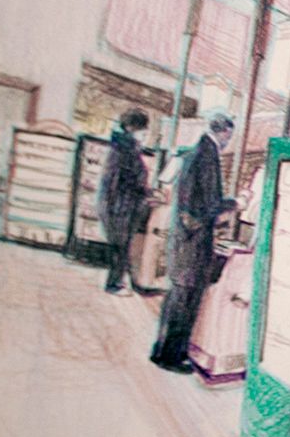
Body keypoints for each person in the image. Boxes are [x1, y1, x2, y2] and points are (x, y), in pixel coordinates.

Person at [151, 113, 237, 373]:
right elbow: (209, 204)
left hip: (184, 239)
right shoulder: (208, 156)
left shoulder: (193, 153)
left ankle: (162, 352)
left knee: (176, 299)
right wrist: (235, 203)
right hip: (194, 243)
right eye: (229, 136)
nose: (229, 141)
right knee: (186, 302)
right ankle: (172, 357)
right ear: (224, 132)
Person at [97, 109, 151, 295]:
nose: (145, 133)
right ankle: (113, 284)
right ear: (130, 128)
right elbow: (121, 182)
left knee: (122, 247)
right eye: (142, 129)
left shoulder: (125, 148)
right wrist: (144, 193)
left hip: (121, 206)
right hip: (120, 208)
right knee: (119, 248)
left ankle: (122, 282)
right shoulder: (123, 151)